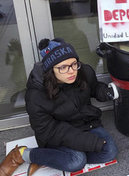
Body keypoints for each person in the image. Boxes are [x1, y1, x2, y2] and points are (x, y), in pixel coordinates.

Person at [0, 38, 118, 176]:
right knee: (76, 161)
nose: (71, 71)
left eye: (74, 64)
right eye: (63, 67)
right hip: (56, 134)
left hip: (86, 124)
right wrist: (88, 143)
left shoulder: (82, 71)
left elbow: (93, 87)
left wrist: (105, 92)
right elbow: (49, 131)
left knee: (110, 152)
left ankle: (52, 158)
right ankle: (21, 155)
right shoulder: (36, 95)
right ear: (51, 69)